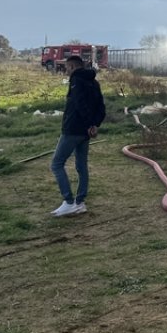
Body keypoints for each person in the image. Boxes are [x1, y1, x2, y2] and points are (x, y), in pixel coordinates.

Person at [50, 55, 106, 217]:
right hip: (86, 132)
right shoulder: (94, 82)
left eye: (67, 68)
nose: (66, 71)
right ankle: (80, 203)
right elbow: (101, 107)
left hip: (73, 129)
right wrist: (94, 125)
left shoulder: (76, 81)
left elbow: (79, 104)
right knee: (81, 166)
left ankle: (68, 202)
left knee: (56, 164)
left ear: (73, 67)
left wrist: (89, 124)